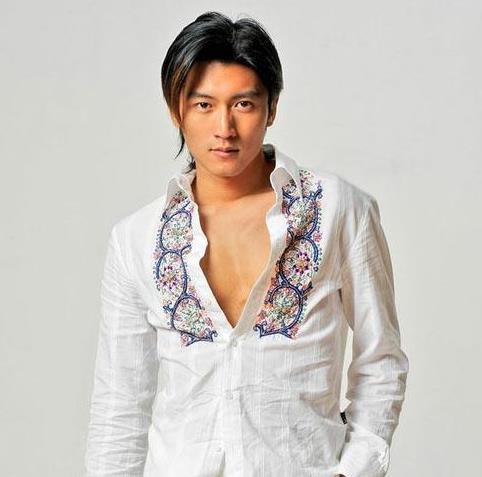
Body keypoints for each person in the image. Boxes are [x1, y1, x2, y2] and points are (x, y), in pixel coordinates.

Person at [84, 11, 409, 477]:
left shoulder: (338, 210)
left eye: (243, 104)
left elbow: (382, 359)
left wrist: (354, 471)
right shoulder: (136, 238)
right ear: (176, 110)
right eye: (204, 105)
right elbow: (119, 406)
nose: (225, 127)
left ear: (271, 108)